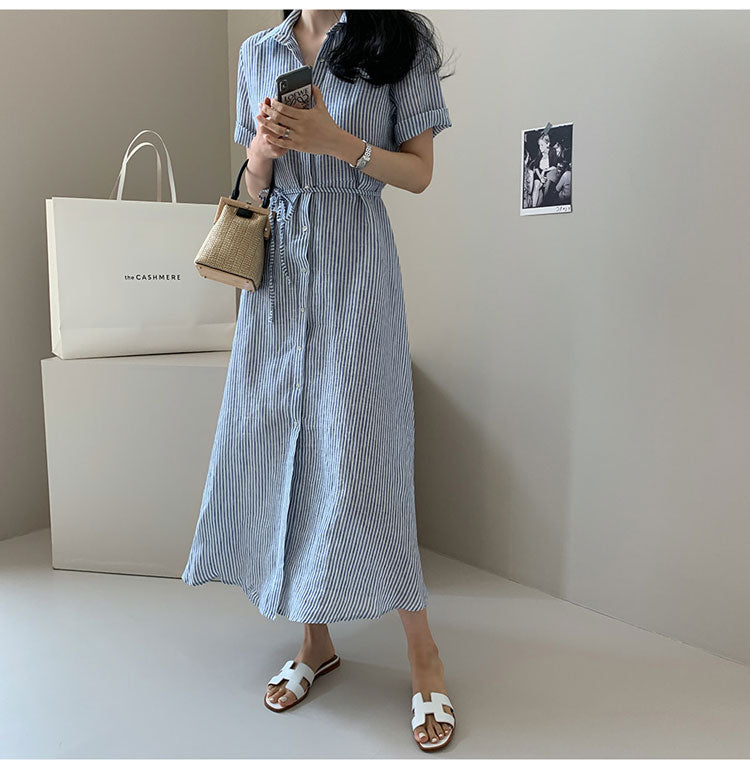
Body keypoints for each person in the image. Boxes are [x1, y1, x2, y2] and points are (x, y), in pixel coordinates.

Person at [181, 8, 456, 752]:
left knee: (369, 453)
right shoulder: (257, 52)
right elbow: (254, 183)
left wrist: (337, 141)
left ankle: (423, 653)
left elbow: (420, 173)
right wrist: (263, 152)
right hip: (277, 278)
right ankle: (315, 640)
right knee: (285, 448)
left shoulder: (398, 41)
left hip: (355, 268)